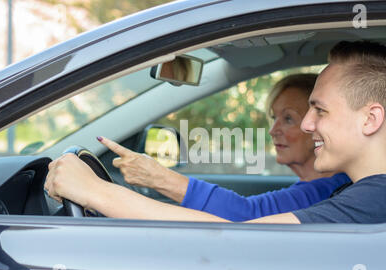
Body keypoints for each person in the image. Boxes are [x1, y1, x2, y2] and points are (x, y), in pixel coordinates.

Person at [45, 40, 386, 224]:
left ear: (370, 119)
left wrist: (94, 191)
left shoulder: (384, 199)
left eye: (319, 110)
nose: (306, 124)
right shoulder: (370, 190)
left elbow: (240, 233)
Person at [103, 74, 350, 222]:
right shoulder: (314, 188)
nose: (273, 130)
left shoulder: (331, 190)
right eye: (273, 118)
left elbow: (246, 214)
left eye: (288, 119)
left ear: (318, 124)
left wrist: (159, 177)